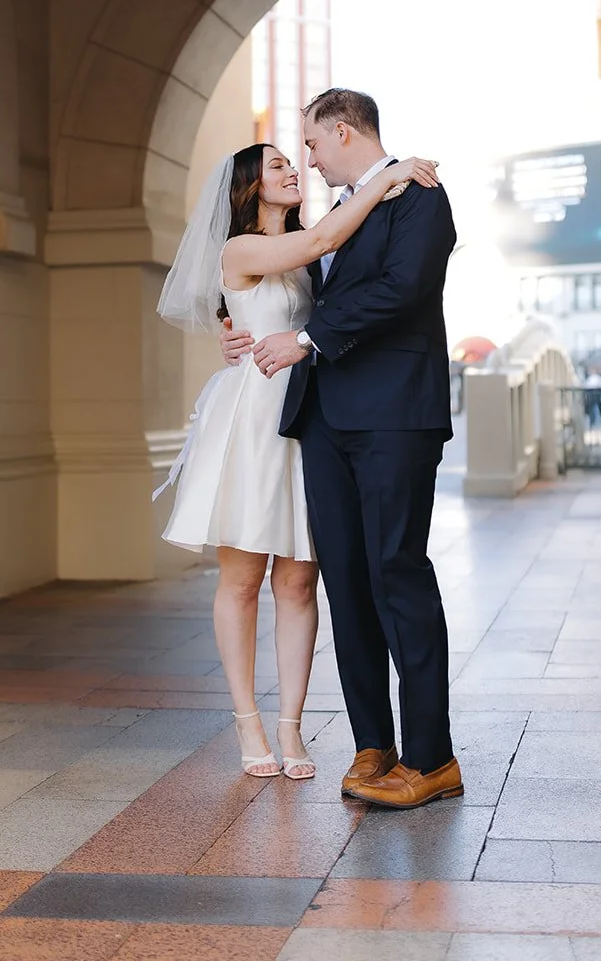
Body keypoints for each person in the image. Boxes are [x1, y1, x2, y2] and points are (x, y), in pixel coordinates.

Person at [157, 140, 439, 781]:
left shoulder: (314, 252)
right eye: (280, 165)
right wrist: (386, 178)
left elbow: (330, 286)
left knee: (298, 580)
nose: (296, 169)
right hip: (254, 421)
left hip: (309, 419)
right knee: (243, 578)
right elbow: (314, 246)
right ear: (252, 187)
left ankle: (292, 727)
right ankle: (247, 722)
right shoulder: (243, 249)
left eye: (298, 155)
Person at [221, 89, 462, 810]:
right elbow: (290, 283)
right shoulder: (328, 216)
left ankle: (430, 757)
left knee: (397, 574)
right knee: (347, 585)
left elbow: (400, 289)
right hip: (322, 420)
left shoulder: (418, 194)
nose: (308, 158)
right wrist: (245, 332)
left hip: (393, 416)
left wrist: (300, 340)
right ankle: (372, 745)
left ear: (344, 131)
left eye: (312, 143)